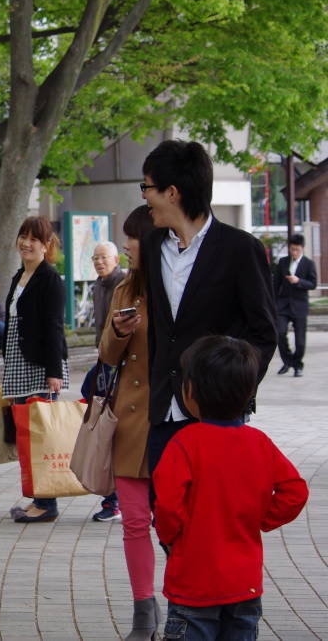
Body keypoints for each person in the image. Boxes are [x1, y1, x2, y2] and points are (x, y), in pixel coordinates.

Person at [154, 336, 308, 640]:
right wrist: (261, 519)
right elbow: (295, 492)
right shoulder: (259, 442)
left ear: (190, 391)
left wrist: (172, 537)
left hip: (194, 580)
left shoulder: (184, 443)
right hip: (244, 582)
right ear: (249, 391)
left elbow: (168, 505)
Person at [140, 140, 276, 474]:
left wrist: (232, 390)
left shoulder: (241, 249)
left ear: (172, 192)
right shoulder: (152, 244)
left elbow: (264, 333)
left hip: (217, 415)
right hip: (162, 410)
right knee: (165, 511)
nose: (143, 196)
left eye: (147, 187)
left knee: (214, 514)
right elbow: (163, 332)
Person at [99, 206, 160, 639]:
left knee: (175, 521)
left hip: (175, 423)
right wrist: (120, 331)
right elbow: (105, 353)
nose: (125, 246)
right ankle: (143, 610)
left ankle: (182, 608)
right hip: (130, 421)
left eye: (132, 237)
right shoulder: (125, 288)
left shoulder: (181, 287)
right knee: (135, 521)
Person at [3, 216, 70, 523]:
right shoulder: (20, 276)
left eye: (34, 239)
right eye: (23, 236)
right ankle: (38, 498)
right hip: (19, 363)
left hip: (42, 366)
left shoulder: (50, 280)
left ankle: (47, 504)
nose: (26, 243)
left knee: (42, 436)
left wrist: (54, 372)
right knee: (27, 436)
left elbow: (55, 327)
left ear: (47, 246)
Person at [88, 240, 126, 522]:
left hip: (122, 365)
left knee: (114, 428)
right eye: (95, 258)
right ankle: (112, 498)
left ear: (116, 259)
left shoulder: (125, 284)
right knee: (103, 424)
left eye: (104, 258)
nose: (99, 262)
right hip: (105, 362)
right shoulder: (97, 286)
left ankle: (116, 500)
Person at [273, 233, 318, 377]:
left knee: (300, 342)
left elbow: (313, 284)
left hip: (300, 306)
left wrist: (298, 281)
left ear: (302, 248)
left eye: (297, 249)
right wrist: (273, 303)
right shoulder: (283, 262)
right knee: (279, 333)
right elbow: (275, 285)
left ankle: (297, 364)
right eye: (292, 249)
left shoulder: (308, 264)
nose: (294, 252)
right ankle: (288, 361)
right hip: (283, 306)